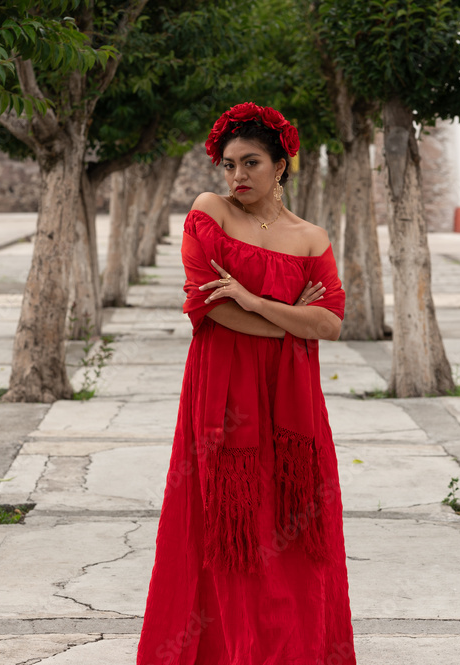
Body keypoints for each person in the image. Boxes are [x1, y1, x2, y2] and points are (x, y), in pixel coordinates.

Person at [136, 102, 356, 664]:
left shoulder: (311, 237)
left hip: (293, 398)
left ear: (280, 166)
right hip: (223, 391)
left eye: (251, 162)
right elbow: (208, 305)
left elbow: (331, 324)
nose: (237, 176)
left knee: (293, 526)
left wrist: (254, 301)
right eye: (230, 164)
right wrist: (292, 317)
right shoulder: (208, 212)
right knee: (228, 529)